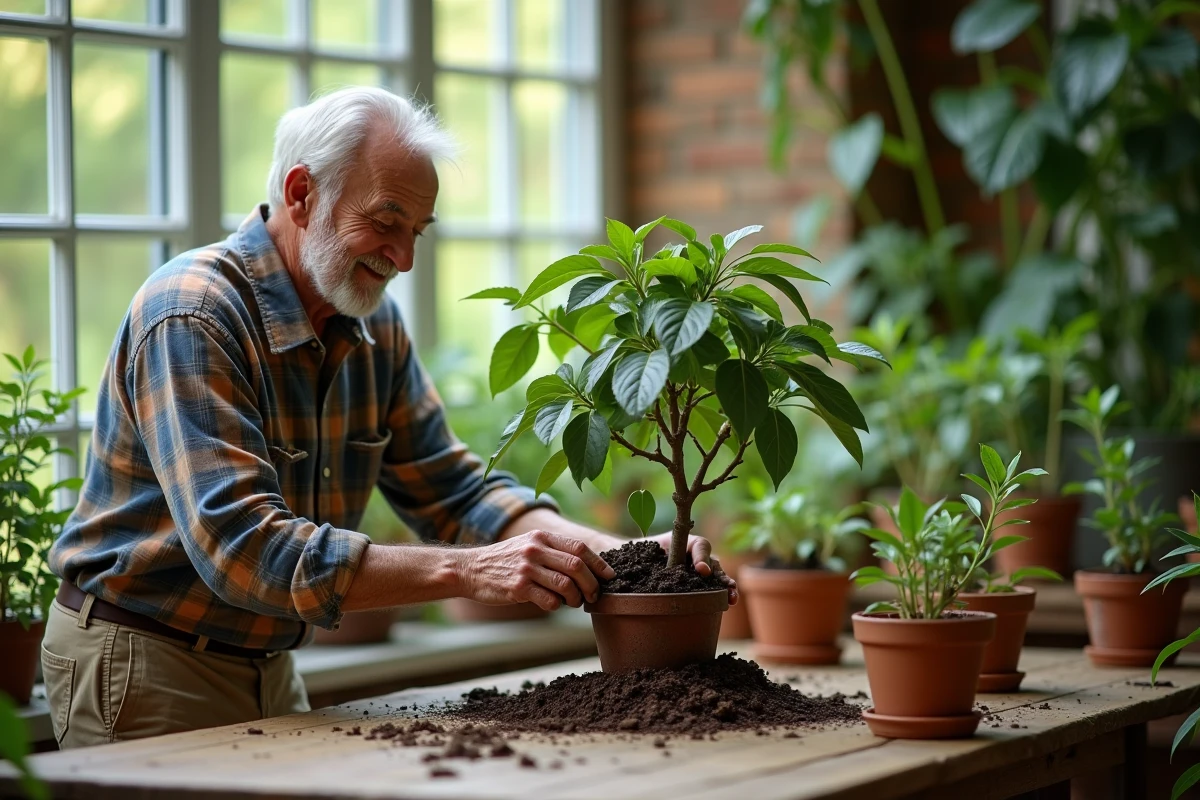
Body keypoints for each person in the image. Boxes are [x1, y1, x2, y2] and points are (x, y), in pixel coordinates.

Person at [41, 86, 736, 749]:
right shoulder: (193, 313)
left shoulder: (373, 326)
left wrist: (633, 560)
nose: (402, 258)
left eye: (416, 232)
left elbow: (457, 493)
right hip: (143, 658)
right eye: (384, 223)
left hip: (270, 661)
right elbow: (243, 547)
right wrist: (467, 573)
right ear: (301, 194)